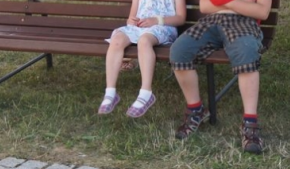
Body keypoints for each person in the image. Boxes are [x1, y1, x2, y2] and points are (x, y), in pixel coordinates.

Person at [169, 0, 271, 154]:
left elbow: (262, 12)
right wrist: (242, 5)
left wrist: (225, 2)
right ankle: (196, 110)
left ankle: (250, 124)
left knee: (246, 51)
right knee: (179, 51)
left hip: (243, 23)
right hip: (211, 22)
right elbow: (205, 7)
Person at [98, 0, 186, 118]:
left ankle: (146, 92)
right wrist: (131, 21)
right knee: (116, 40)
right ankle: (110, 92)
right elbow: (132, 17)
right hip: (138, 28)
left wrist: (156, 20)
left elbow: (180, 18)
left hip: (162, 27)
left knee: (144, 41)